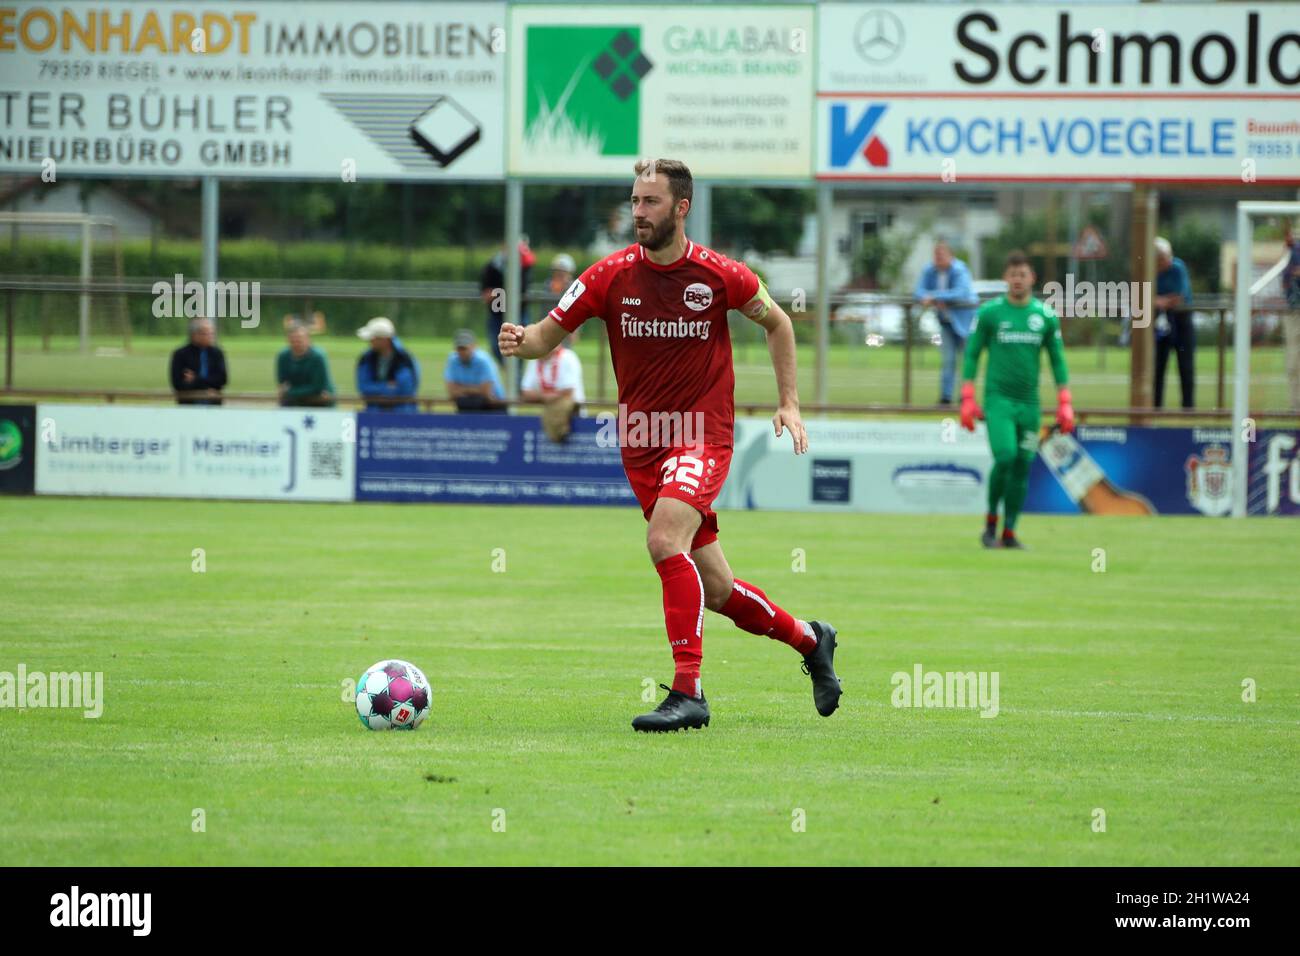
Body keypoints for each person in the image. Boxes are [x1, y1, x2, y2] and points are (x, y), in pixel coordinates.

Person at [500, 158, 841, 733]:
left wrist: (790, 403)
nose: (638, 212)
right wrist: (520, 339)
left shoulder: (719, 275)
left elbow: (779, 324)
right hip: (642, 444)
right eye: (634, 200)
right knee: (718, 590)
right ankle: (811, 639)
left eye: (651, 202)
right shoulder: (607, 276)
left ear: (682, 208)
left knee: (663, 542)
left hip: (702, 436)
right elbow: (544, 335)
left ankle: (689, 692)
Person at [961, 250, 1074, 550]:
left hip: (1029, 404)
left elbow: (1057, 360)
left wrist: (1065, 400)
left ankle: (1009, 532)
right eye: (1013, 275)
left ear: (1032, 278)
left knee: (1023, 464)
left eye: (1023, 274)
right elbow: (972, 353)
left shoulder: (1044, 316)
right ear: (1005, 278)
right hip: (998, 401)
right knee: (1006, 456)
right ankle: (990, 524)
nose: (1017, 280)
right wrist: (967, 396)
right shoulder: (990, 313)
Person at [914, 240, 977, 404]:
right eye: (936, 255)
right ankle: (946, 398)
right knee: (948, 359)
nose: (938, 258)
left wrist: (935, 297)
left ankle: (966, 397)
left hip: (966, 321)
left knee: (967, 360)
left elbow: (961, 293)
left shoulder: (960, 269)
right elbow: (919, 291)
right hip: (946, 322)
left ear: (951, 256)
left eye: (942, 255)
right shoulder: (930, 270)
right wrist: (931, 297)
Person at [1153, 236, 1195, 409]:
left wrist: (1156, 300)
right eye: (1163, 258)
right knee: (1158, 367)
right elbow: (1140, 294)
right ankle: (1155, 407)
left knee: (1186, 366)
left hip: (1181, 320)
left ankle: (1188, 408)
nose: (1167, 261)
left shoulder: (1178, 268)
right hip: (1159, 321)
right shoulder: (1149, 270)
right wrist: (1155, 301)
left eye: (1168, 256)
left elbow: (1179, 297)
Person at [480, 240, 536, 365]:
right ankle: (509, 370)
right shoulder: (493, 266)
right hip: (497, 313)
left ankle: (516, 379)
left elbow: (521, 288)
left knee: (521, 346)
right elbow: (486, 292)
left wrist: (498, 292)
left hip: (519, 312)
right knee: (496, 347)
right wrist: (498, 293)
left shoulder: (524, 265)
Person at [355, 316, 419, 413]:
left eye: (373, 338)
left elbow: (405, 389)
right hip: (373, 413)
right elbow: (364, 387)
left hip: (402, 415)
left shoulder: (404, 359)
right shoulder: (366, 359)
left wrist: (377, 389)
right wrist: (387, 387)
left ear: (385, 339)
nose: (370, 342)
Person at [444, 329, 506, 412]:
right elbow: (452, 392)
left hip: (494, 406)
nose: (462, 352)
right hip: (466, 404)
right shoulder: (452, 360)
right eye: (459, 348)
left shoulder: (483, 360)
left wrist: (462, 389)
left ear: (474, 346)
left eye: (464, 348)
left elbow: (486, 393)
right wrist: (476, 389)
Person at [169, 318, 227, 405]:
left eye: (212, 333)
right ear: (194, 335)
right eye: (206, 333)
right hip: (188, 405)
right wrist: (207, 387)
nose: (210, 336)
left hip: (213, 404)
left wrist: (196, 379)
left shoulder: (217, 353)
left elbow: (222, 379)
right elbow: (178, 384)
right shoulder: (181, 354)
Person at [276, 323, 336, 407]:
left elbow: (318, 387)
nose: (296, 344)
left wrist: (290, 392)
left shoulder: (318, 356)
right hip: (294, 400)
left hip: (320, 401)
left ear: (308, 340)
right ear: (288, 341)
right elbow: (282, 383)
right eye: (292, 341)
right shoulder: (283, 356)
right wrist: (285, 392)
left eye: (299, 340)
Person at [1281, 220, 1300, 412]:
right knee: (1293, 363)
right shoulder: (1291, 253)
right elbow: (1286, 283)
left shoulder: (1296, 250)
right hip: (1293, 311)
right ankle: (1295, 406)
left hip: (1295, 311)